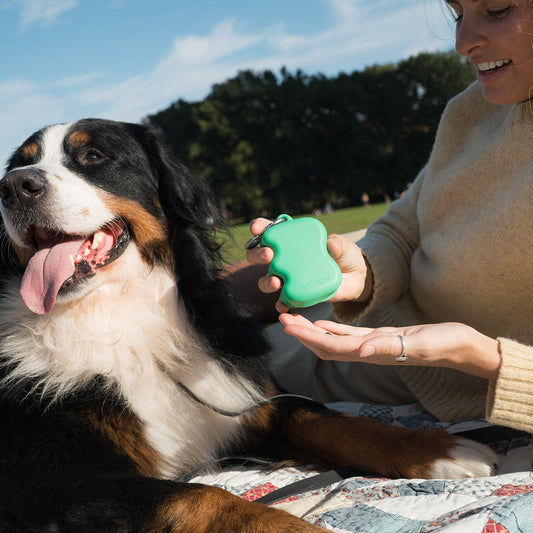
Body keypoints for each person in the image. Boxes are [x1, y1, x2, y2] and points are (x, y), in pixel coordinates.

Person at [242, 0, 533, 433]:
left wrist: (474, 355)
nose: (461, 43)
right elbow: (406, 222)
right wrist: (365, 274)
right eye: (458, 14)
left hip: (418, 363)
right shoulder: (472, 109)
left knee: (227, 360)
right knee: (224, 286)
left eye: (496, 9)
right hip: (381, 306)